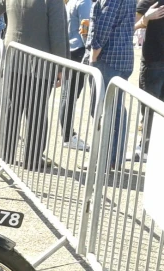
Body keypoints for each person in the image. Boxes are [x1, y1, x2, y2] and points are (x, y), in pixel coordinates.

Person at [0, 0, 69, 170]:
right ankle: (33, 158)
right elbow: (57, 34)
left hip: (13, 61)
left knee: (12, 108)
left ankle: (6, 152)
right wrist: (60, 67)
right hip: (40, 65)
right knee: (37, 113)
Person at [86, 0, 136, 166]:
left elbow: (103, 27)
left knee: (103, 110)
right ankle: (113, 157)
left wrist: (93, 57)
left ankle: (104, 159)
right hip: (122, 58)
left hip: (108, 59)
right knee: (116, 109)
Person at [58, 0, 92, 150]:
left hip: (71, 49)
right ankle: (67, 136)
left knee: (68, 95)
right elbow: (86, 30)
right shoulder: (84, 3)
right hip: (78, 51)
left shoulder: (73, 2)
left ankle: (67, 134)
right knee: (70, 95)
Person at [133, 0, 164, 159]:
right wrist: (145, 19)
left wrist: (144, 19)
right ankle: (147, 147)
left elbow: (132, 25)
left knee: (150, 108)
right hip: (154, 60)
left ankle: (145, 148)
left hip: (153, 62)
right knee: (151, 109)